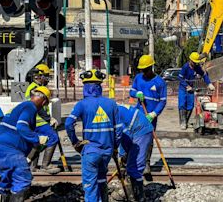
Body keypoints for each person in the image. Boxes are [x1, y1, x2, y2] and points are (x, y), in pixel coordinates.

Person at [65, 69, 122, 202]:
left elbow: (68, 124)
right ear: (99, 86)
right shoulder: (111, 104)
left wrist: (75, 142)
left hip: (90, 152)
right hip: (107, 152)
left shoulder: (82, 104)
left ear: (85, 87)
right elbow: (119, 129)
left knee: (90, 186)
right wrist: (115, 147)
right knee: (102, 180)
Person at [0, 86, 51, 202]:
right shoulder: (30, 107)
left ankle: (3, 197)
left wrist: (31, 152)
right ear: (43, 101)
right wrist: (37, 139)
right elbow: (21, 126)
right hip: (8, 149)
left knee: (7, 180)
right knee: (23, 179)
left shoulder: (21, 106)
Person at [129, 54, 167, 178]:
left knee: (148, 141)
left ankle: (146, 163)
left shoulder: (160, 82)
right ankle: (131, 161)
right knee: (133, 138)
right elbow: (132, 91)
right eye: (142, 70)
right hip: (138, 113)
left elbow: (163, 101)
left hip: (150, 116)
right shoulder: (138, 78)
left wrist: (154, 114)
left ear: (151, 67)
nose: (144, 72)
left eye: (146, 69)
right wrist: (136, 93)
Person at [25, 64, 60, 174]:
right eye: (46, 76)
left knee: (38, 142)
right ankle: (46, 165)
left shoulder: (33, 87)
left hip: (36, 120)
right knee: (53, 137)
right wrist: (49, 119)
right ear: (39, 76)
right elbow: (38, 107)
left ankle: (33, 167)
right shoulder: (35, 89)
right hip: (38, 121)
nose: (47, 79)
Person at [118, 104, 153, 202]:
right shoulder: (111, 111)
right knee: (130, 164)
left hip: (141, 130)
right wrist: (122, 154)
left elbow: (124, 135)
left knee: (135, 166)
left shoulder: (112, 115)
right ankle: (133, 194)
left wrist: (124, 154)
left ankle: (138, 198)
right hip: (133, 129)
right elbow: (122, 136)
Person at [178, 52, 215, 131]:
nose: (195, 64)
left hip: (191, 89)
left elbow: (204, 75)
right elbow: (180, 78)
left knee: (190, 106)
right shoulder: (185, 67)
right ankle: (183, 122)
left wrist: (209, 84)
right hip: (183, 88)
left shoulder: (197, 67)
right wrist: (186, 86)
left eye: (196, 63)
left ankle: (186, 121)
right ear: (190, 61)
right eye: (194, 62)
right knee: (182, 105)